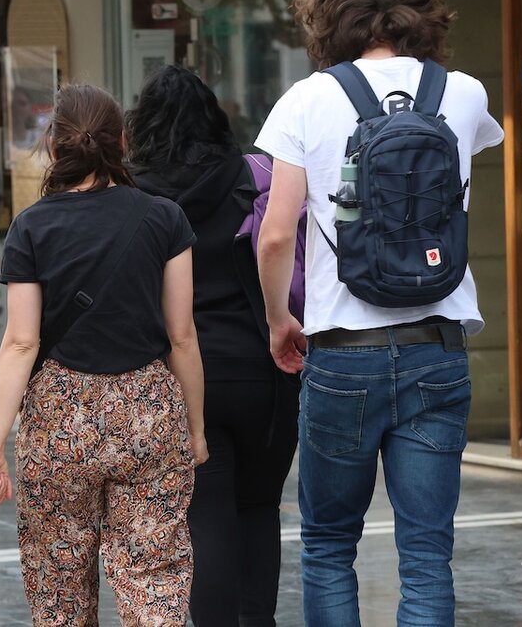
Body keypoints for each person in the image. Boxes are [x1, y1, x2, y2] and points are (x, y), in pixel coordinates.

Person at [255, 0, 503, 624]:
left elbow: (276, 235)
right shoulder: (463, 92)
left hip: (343, 354)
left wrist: (279, 320)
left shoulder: (305, 100)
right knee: (427, 555)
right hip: (437, 346)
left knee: (329, 546)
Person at [0, 83, 208, 626]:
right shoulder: (164, 217)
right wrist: (195, 428)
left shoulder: (31, 227)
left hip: (59, 416)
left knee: (59, 585)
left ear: (53, 147)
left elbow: (21, 342)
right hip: (148, 410)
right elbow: (182, 336)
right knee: (153, 577)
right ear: (121, 142)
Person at [125, 64, 298, 626]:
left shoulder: (133, 196)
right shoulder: (251, 177)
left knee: (204, 516)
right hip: (262, 370)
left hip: (181, 375)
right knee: (259, 508)